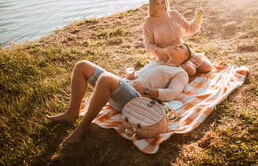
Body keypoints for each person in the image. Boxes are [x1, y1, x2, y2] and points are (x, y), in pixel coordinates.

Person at [47, 43, 192, 145]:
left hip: (135, 99)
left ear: (183, 58)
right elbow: (138, 77)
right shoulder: (157, 62)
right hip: (124, 89)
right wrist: (131, 76)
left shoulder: (180, 73)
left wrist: (147, 90)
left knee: (105, 78)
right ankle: (72, 113)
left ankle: (81, 129)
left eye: (180, 47)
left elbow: (172, 93)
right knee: (82, 65)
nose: (175, 46)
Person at [143, 0, 213, 76]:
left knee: (208, 67)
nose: (161, 5)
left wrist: (197, 18)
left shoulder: (174, 14)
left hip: (182, 51)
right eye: (157, 3)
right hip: (166, 57)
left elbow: (189, 29)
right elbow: (149, 46)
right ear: (152, 5)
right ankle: (180, 71)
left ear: (166, 1)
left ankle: (184, 69)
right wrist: (163, 50)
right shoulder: (149, 22)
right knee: (191, 71)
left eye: (162, 2)